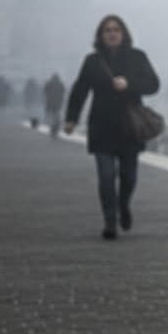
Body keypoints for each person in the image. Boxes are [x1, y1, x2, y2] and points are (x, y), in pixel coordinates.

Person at [63, 15, 161, 240]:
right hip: (102, 125)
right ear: (101, 36)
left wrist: (130, 84)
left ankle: (123, 204)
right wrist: (71, 118)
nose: (112, 33)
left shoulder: (138, 57)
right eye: (107, 30)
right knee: (106, 176)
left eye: (116, 29)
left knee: (129, 176)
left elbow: (153, 84)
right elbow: (80, 90)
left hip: (130, 126)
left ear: (123, 33)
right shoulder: (92, 61)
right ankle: (110, 220)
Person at [43, 73, 66, 138]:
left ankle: (53, 127)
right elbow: (63, 92)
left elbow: (45, 91)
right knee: (56, 115)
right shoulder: (60, 84)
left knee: (53, 115)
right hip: (58, 102)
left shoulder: (49, 84)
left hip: (51, 102)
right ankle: (55, 127)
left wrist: (49, 96)